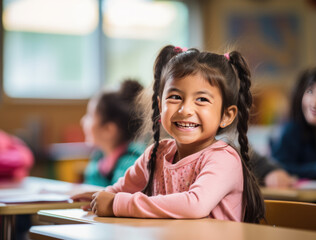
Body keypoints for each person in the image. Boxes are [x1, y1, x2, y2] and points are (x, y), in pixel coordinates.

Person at [72, 45, 265, 223]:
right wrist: (101, 197)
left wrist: (116, 204)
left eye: (201, 99)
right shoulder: (156, 154)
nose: (185, 109)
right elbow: (122, 189)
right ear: (159, 105)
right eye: (175, 97)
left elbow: (194, 205)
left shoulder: (224, 159)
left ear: (226, 115)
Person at [81, 79, 145, 187]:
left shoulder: (131, 163)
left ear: (108, 130)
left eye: (90, 116)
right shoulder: (99, 157)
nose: (83, 121)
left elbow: (113, 198)